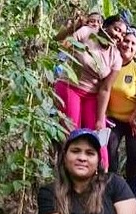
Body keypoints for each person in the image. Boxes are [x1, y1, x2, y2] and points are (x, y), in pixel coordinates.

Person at [54, 14, 127, 166]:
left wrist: (100, 119)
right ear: (105, 26)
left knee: (99, 136)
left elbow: (105, 89)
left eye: (123, 34)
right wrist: (71, 28)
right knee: (72, 132)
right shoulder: (86, 32)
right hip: (70, 85)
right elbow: (62, 47)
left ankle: (101, 173)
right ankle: (68, 169)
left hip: (92, 95)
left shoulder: (116, 57)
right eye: (117, 29)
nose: (119, 36)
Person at [107, 29, 136, 192]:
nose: (128, 45)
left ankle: (131, 189)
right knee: (109, 147)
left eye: (133, 43)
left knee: (135, 152)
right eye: (126, 41)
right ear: (119, 42)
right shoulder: (110, 60)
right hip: (114, 117)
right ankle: (111, 185)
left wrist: (133, 117)